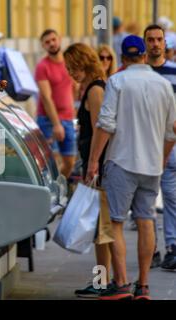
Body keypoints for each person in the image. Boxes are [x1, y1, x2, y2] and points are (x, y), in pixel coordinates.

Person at [87, 35, 176, 300]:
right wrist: (160, 159)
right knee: (146, 221)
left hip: (121, 162)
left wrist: (93, 162)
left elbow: (105, 124)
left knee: (115, 222)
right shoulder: (163, 85)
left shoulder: (117, 81)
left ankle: (123, 284)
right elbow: (172, 132)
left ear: (123, 58)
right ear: (145, 56)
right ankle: (144, 286)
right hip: (151, 164)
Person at [64, 43, 112, 298]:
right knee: (101, 230)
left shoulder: (95, 90)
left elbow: (98, 131)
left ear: (84, 63)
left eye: (73, 68)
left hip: (100, 168)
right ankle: (105, 280)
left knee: (103, 230)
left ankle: (104, 282)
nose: (71, 73)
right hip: (98, 166)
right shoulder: (94, 86)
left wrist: (92, 165)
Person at [144, 24, 176, 271]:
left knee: (172, 198)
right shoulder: (138, 73)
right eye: (150, 39)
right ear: (145, 43)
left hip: (171, 145)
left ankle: (173, 248)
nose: (155, 43)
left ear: (165, 43)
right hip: (144, 146)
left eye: (159, 39)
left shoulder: (174, 72)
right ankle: (151, 249)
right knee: (145, 200)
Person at [35, 29, 77, 179]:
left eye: (53, 39)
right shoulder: (42, 67)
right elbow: (46, 97)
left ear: (59, 39)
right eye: (47, 42)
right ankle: (52, 195)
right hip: (48, 121)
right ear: (43, 46)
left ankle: (61, 189)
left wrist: (76, 116)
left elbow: (74, 89)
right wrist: (56, 124)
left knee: (70, 162)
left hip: (68, 118)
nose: (51, 44)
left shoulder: (69, 62)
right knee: (50, 163)